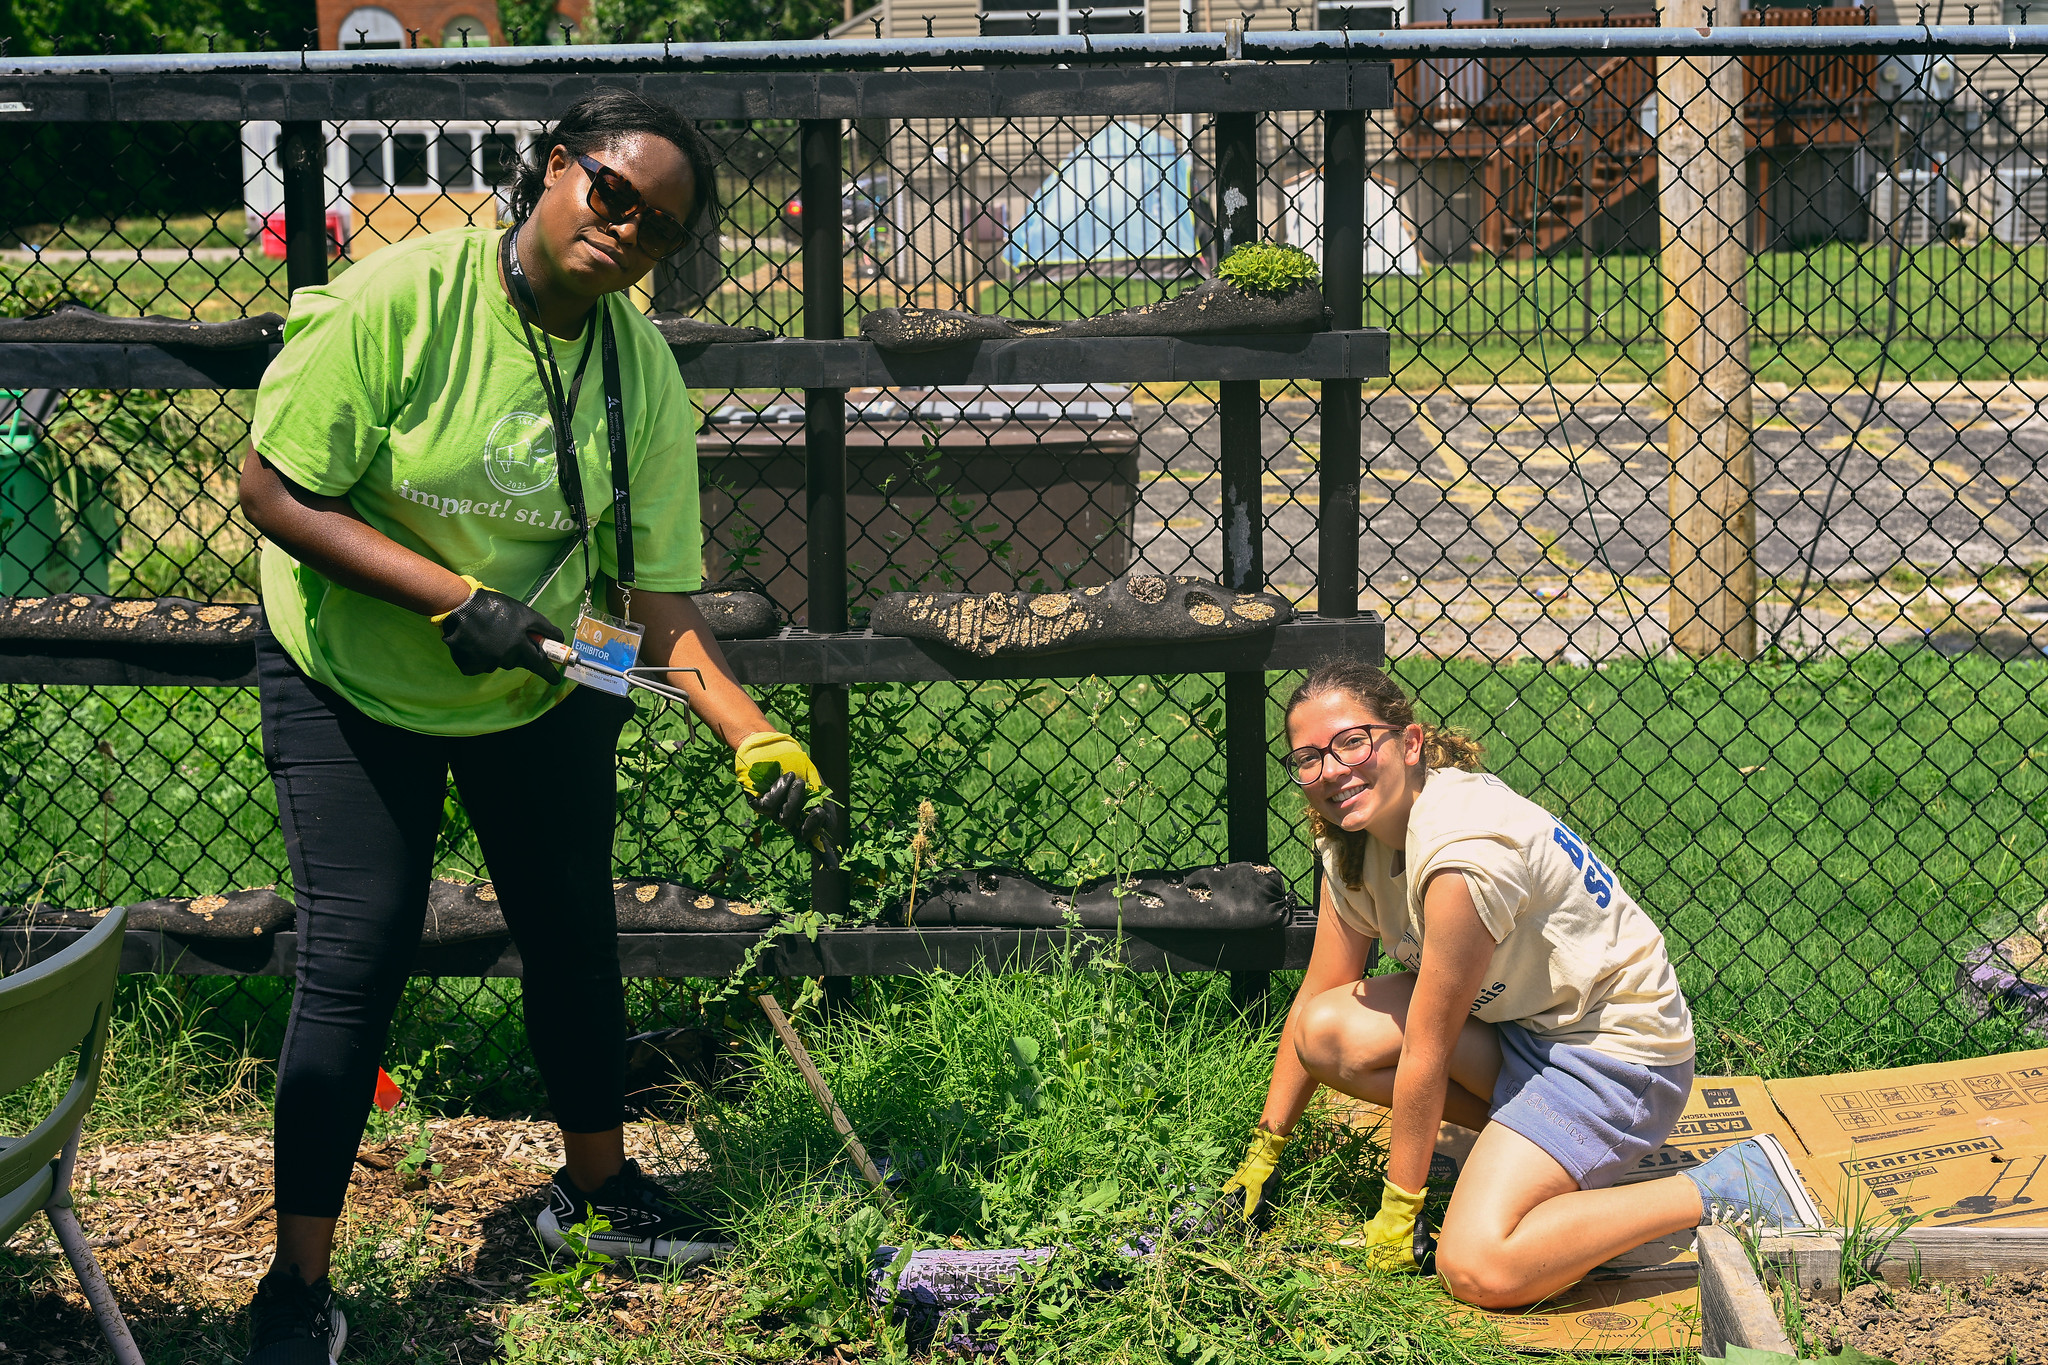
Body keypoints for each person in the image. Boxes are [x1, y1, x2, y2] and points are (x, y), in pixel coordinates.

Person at [235, 90, 832, 1364]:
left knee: (571, 925)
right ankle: (297, 1283)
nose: (625, 231)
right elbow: (275, 492)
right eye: (611, 193)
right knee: (361, 947)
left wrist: (750, 732)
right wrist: (456, 599)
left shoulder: (638, 368)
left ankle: (598, 1194)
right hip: (352, 668)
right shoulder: (407, 298)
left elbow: (658, 603)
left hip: (539, 673)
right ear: (554, 170)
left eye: (659, 228)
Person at [1218, 660, 1820, 1309]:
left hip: (1618, 1055)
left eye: (1352, 741)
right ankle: (1536, 1155)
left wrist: (1399, 1215)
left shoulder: (1460, 854)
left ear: (1410, 742)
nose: (1332, 769)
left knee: (1477, 1264)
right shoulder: (1349, 842)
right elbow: (1317, 995)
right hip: (1524, 1029)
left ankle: (1732, 1184)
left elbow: (1428, 1046)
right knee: (1326, 1031)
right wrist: (1259, 1159)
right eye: (1308, 758)